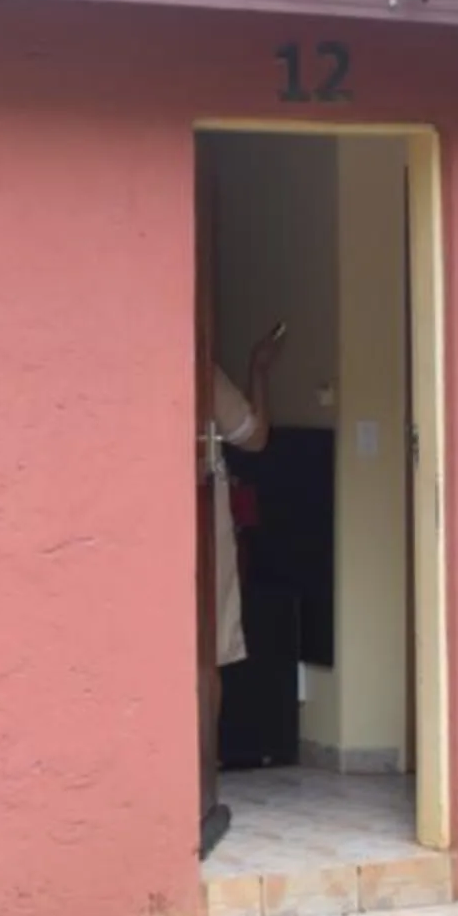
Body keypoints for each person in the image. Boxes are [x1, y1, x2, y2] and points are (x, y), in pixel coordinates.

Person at [203, 322, 285, 857]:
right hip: (201, 524)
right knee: (205, 649)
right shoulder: (199, 371)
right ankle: (202, 777)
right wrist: (258, 369)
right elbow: (253, 436)